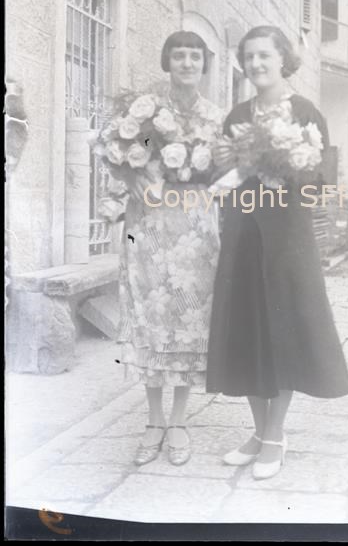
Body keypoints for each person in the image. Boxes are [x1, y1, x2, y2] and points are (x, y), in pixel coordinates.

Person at [206, 26, 348, 480]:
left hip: (288, 239)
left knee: (282, 332)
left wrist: (287, 168)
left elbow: (321, 183)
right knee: (247, 330)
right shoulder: (237, 116)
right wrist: (225, 164)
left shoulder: (306, 113)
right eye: (249, 57)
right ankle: (257, 431)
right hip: (243, 236)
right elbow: (221, 175)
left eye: (264, 55)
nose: (255, 64)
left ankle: (275, 434)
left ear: (283, 59)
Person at [106, 31, 224, 466]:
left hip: (195, 227)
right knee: (150, 315)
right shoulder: (148, 114)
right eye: (179, 56)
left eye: (195, 56)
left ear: (204, 64)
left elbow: (225, 172)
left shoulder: (215, 119)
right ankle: (153, 420)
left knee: (190, 317)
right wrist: (132, 177)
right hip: (150, 224)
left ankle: (178, 421)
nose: (187, 63)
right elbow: (123, 156)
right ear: (167, 61)